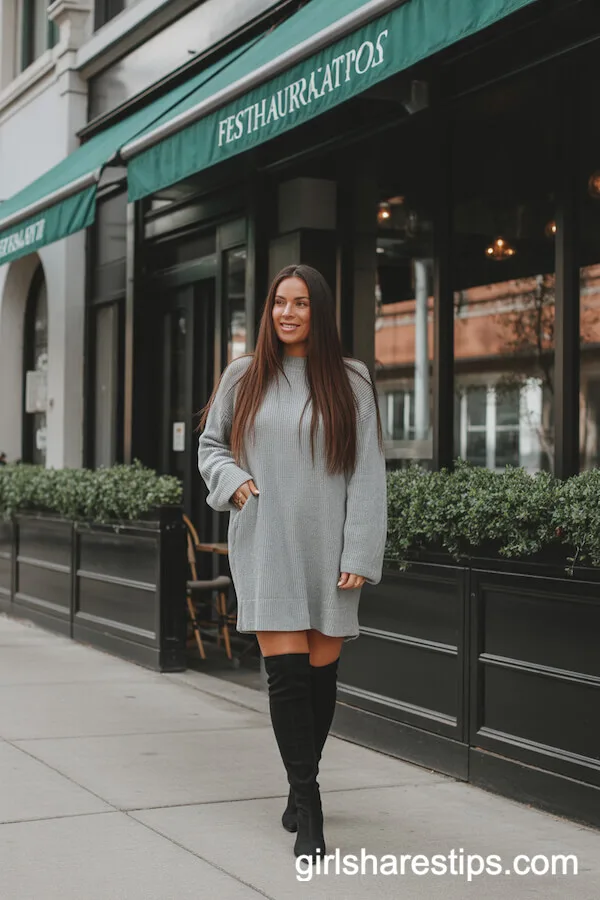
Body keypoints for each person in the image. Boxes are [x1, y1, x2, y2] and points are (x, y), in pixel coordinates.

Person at [197, 264, 387, 861]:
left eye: (301, 303)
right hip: (267, 541)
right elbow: (211, 445)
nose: (288, 313)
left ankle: (296, 782)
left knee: (320, 678)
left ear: (318, 311)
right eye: (280, 302)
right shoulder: (244, 375)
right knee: (285, 677)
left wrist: (359, 549)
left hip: (330, 550)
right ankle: (310, 807)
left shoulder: (350, 380)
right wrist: (235, 482)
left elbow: (368, 471)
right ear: (268, 310)